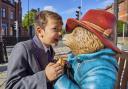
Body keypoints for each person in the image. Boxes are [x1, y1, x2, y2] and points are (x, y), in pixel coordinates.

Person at [54, 9, 122, 89]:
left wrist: (57, 79)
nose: (66, 36)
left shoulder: (102, 71)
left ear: (92, 38)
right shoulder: (86, 56)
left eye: (75, 33)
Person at [6, 10, 64, 89]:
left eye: (60, 30)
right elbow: (11, 86)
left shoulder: (50, 50)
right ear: (40, 31)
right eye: (55, 29)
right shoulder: (22, 48)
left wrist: (57, 68)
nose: (60, 33)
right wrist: (45, 76)